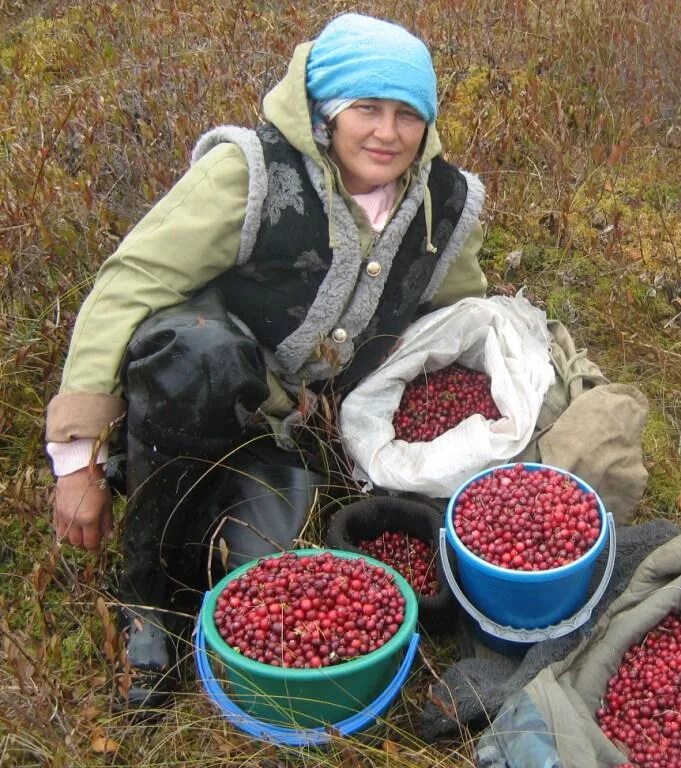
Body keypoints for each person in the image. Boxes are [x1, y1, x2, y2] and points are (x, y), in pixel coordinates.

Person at [44, 13, 487, 715]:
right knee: (198, 354)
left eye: (408, 115)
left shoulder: (440, 202)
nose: (386, 133)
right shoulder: (250, 175)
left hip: (304, 421)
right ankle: (150, 608)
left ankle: (251, 496)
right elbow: (128, 285)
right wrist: (77, 458)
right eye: (365, 108)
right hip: (206, 388)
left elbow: (458, 313)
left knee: (265, 586)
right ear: (324, 112)